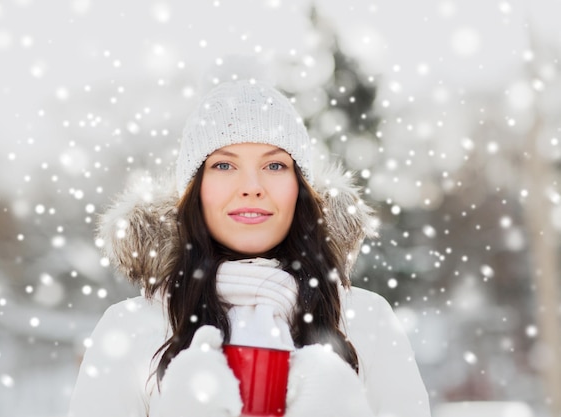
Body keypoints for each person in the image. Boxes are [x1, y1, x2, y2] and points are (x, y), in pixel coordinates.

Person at [68, 71, 431, 417]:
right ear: (195, 191)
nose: (252, 186)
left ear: (299, 189)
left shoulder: (365, 319)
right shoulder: (131, 327)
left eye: (274, 166)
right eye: (224, 166)